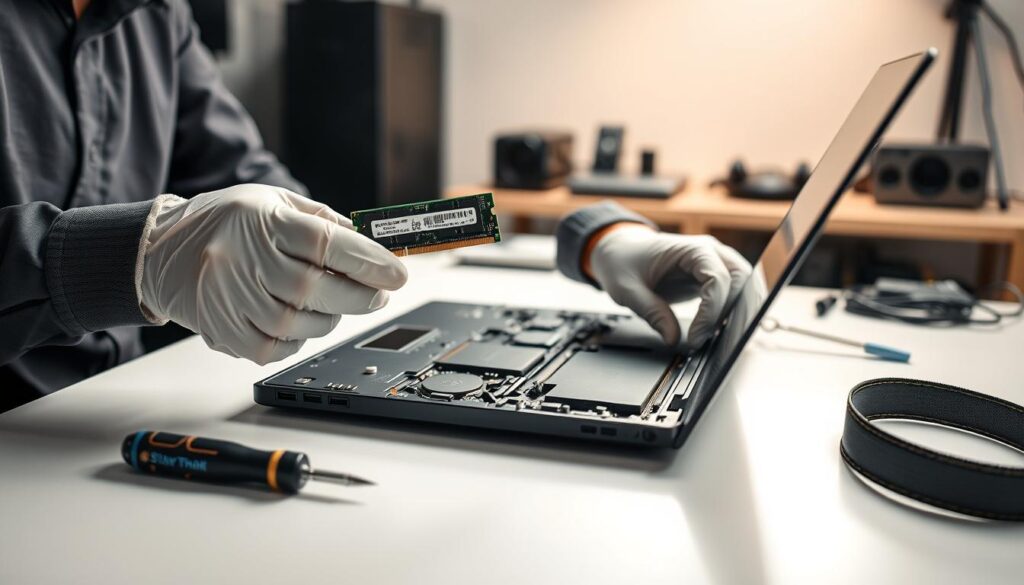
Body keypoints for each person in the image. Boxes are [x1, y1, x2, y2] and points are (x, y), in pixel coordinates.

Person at [0, 0, 749, 411]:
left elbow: (289, 212)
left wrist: (590, 235)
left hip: (108, 425)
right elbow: (171, 247)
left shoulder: (157, 18)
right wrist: (136, 257)